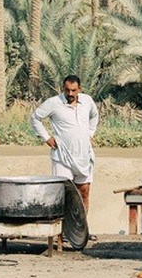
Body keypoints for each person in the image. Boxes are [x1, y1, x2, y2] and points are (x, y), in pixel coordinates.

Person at [31, 75, 99, 225]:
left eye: (73, 90)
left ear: (79, 89)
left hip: (83, 155)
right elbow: (35, 118)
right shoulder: (53, 103)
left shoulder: (87, 101)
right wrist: (46, 137)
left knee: (84, 193)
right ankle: (62, 232)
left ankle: (79, 229)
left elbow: (95, 115)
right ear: (63, 88)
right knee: (64, 195)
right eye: (67, 90)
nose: (70, 94)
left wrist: (91, 133)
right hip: (62, 157)